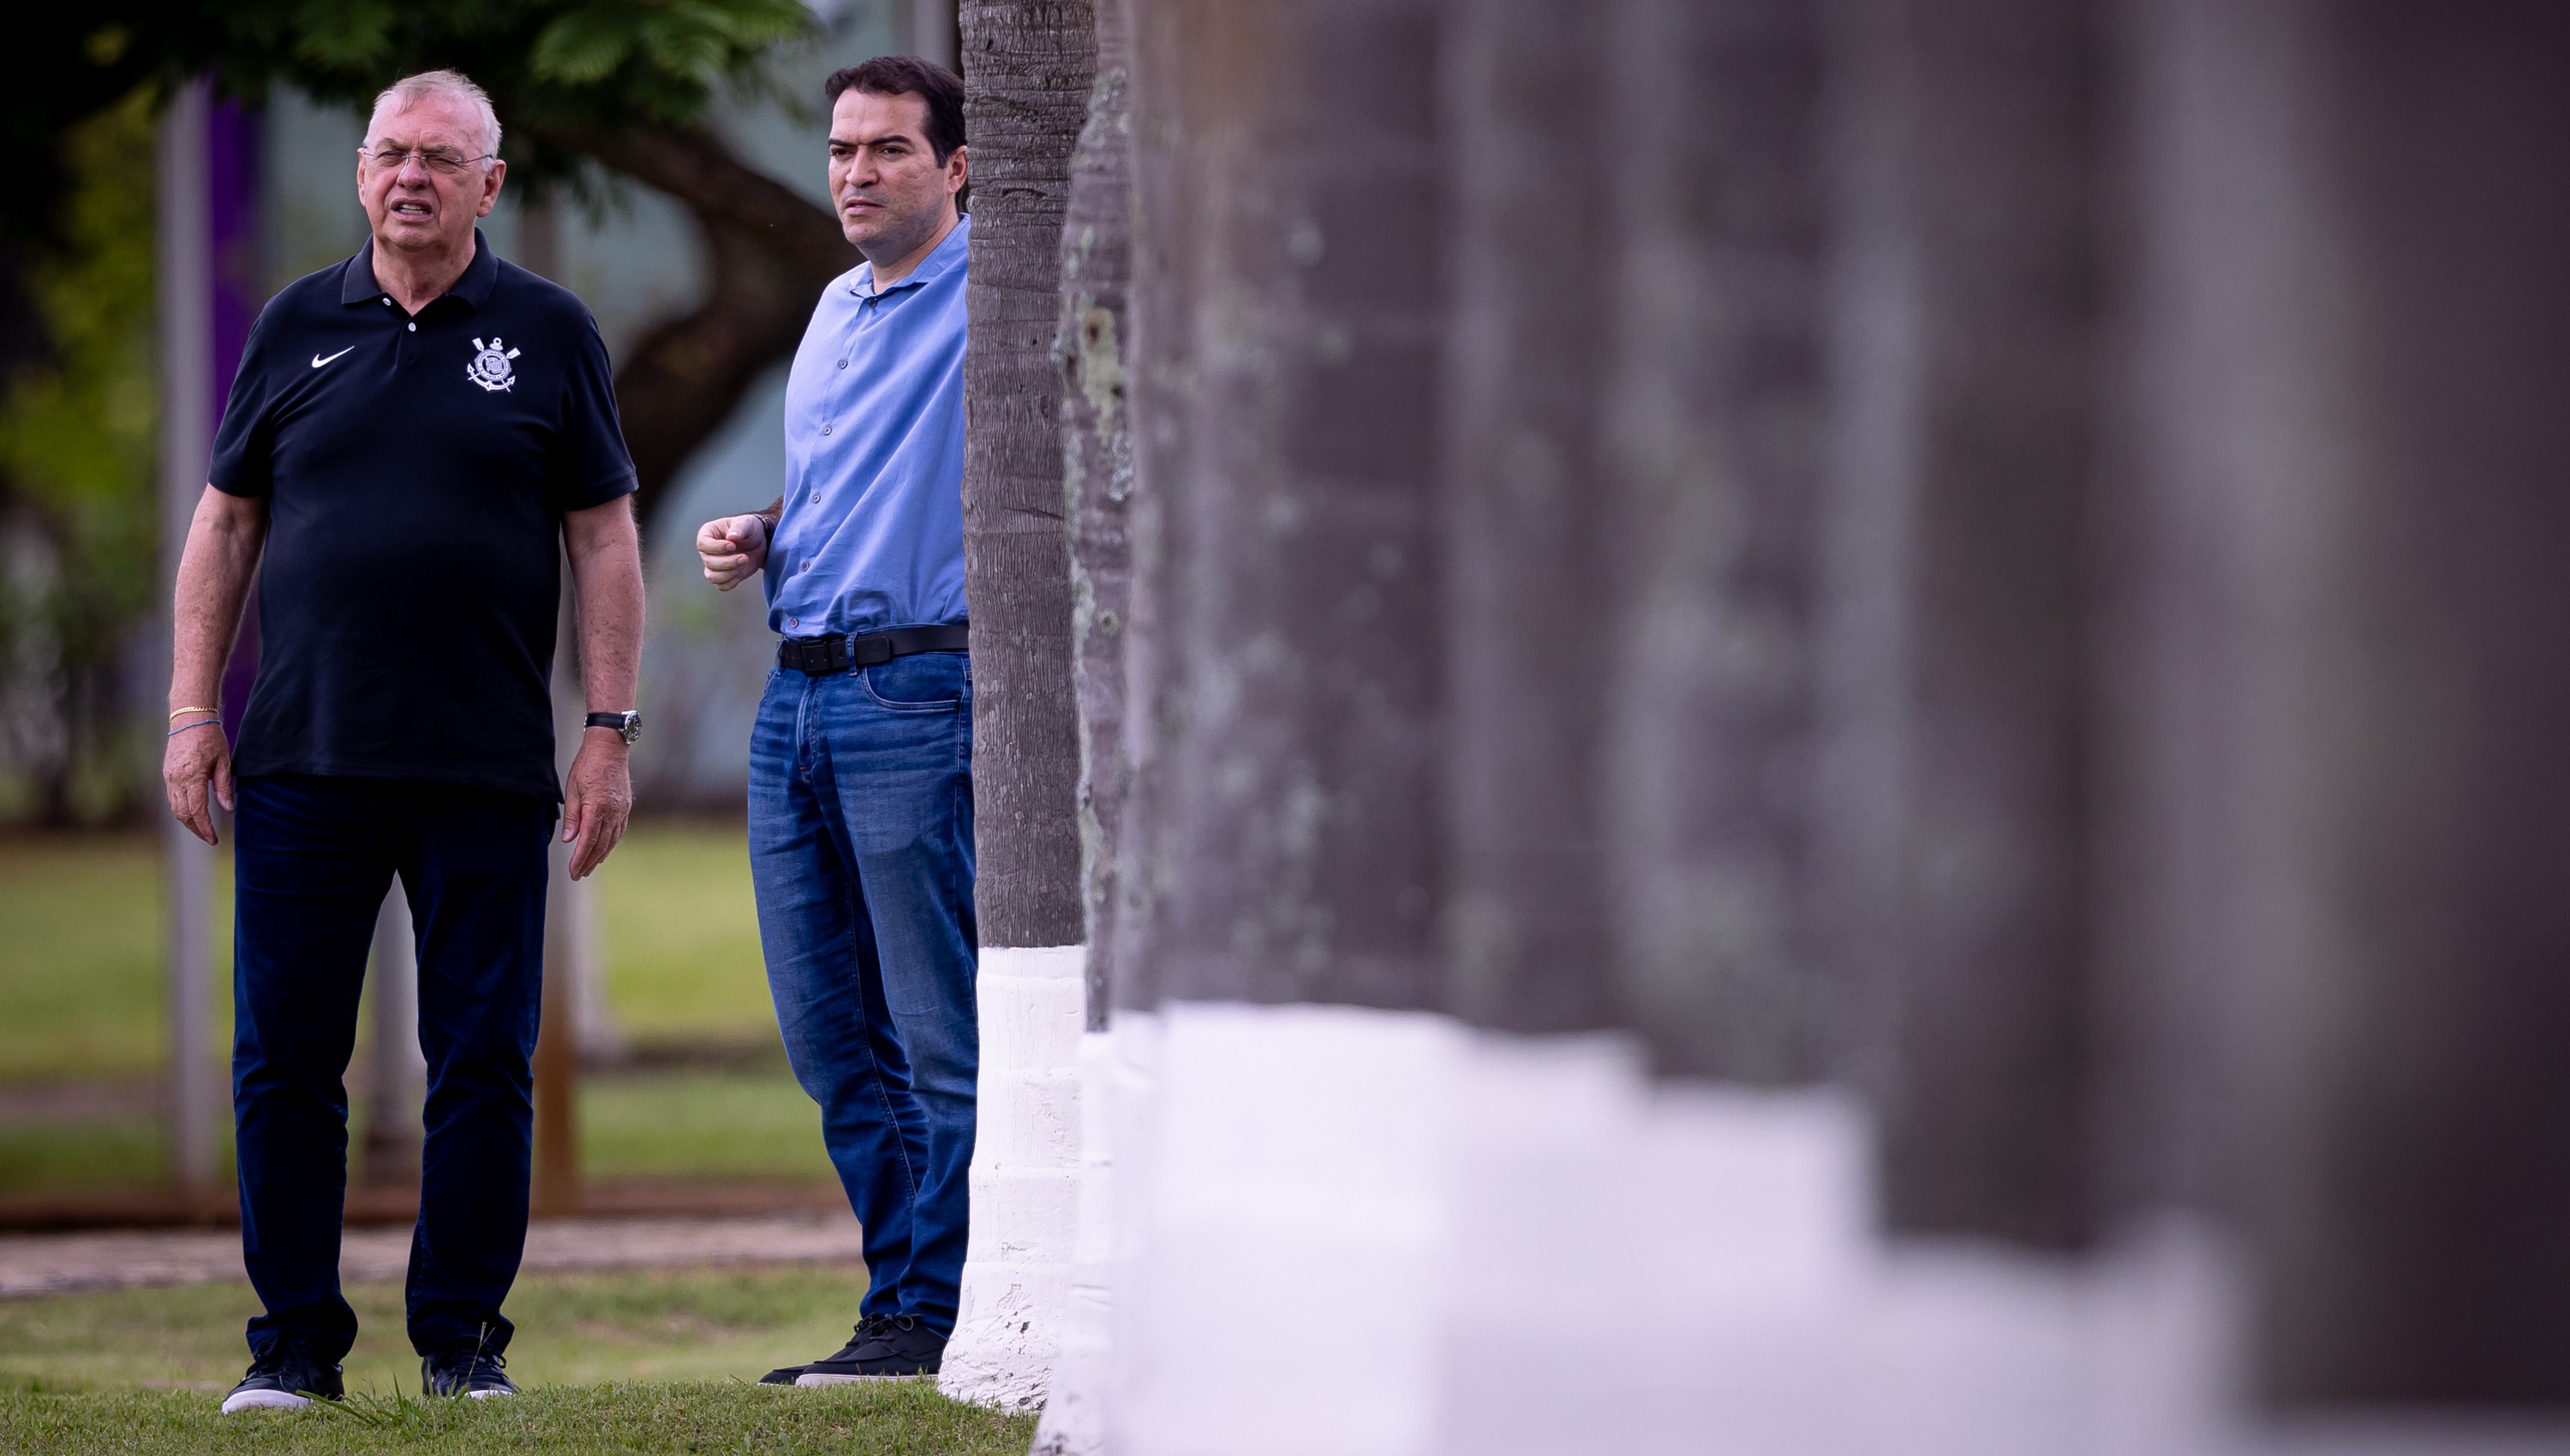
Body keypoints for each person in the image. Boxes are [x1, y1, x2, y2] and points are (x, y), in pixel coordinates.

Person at [162, 69, 646, 1411]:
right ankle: (295, 1350)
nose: (408, 176)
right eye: (388, 153)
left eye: (439, 156)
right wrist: (191, 710)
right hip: (304, 761)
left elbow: (603, 536)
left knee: (482, 1058)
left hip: (487, 770)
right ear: (364, 173)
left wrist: (606, 731)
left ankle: (461, 1344)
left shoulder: (548, 334)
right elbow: (226, 523)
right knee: (286, 1060)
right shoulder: (294, 325)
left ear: (490, 183)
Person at [693, 55, 975, 1385]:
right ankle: (895, 1304)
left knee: (933, 1031)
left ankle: (941, 1311)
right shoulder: (828, 306)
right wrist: (765, 525)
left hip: (915, 691)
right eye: (844, 151)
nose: (858, 173)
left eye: (891, 151)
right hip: (794, 692)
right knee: (828, 1035)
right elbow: (847, 485)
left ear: (957, 168)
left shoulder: (994, 292)